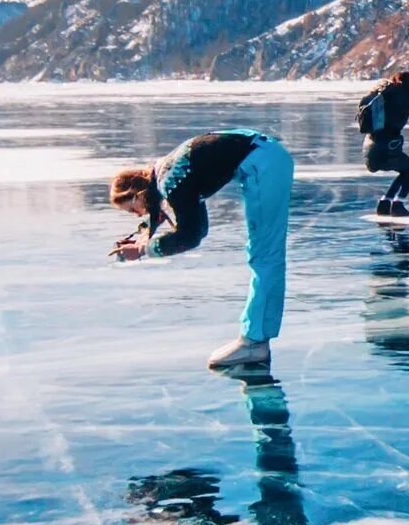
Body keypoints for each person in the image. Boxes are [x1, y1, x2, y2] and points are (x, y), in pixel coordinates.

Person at [109, 128, 295, 369]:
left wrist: (144, 251)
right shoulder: (167, 170)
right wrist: (144, 234)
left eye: (133, 209)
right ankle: (256, 338)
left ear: (138, 193)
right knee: (264, 257)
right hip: (264, 155)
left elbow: (191, 234)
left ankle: (254, 342)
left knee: (265, 257)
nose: (138, 215)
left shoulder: (171, 181)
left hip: (263, 165)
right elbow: (172, 209)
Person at [360, 71, 409, 217]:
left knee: (406, 170)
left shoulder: (383, 94)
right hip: (386, 146)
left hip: (370, 145)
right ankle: (397, 204)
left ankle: (385, 203)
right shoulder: (403, 98)